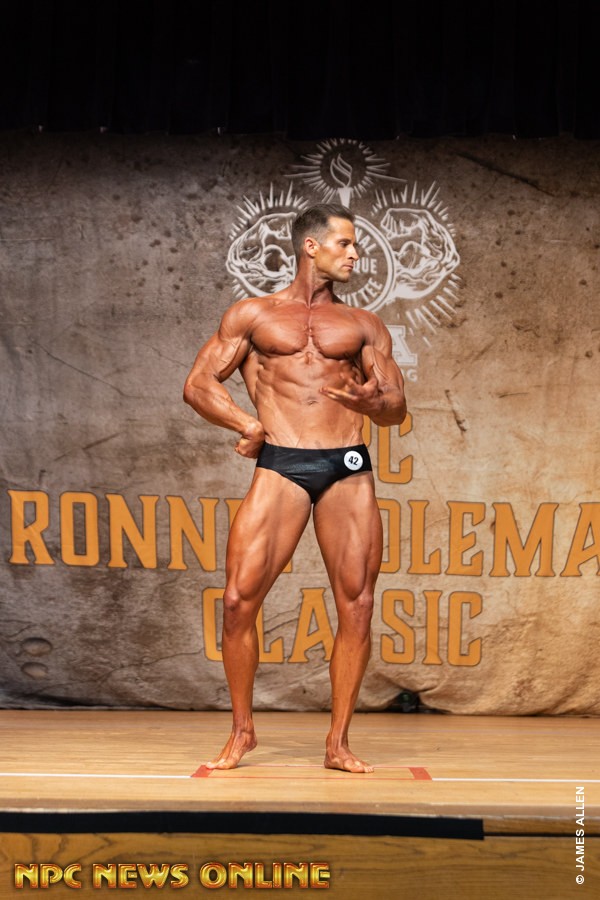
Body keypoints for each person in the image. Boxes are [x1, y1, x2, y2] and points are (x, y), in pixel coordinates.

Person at [183, 203, 407, 773]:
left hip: (346, 465)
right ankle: (242, 730)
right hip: (281, 461)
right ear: (312, 246)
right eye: (345, 243)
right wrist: (246, 424)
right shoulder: (253, 315)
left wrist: (373, 403)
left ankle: (338, 742)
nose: (355, 253)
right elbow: (199, 383)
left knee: (357, 604)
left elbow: (395, 407)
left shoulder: (364, 325)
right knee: (238, 601)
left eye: (355, 245)